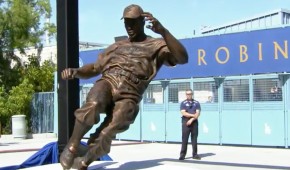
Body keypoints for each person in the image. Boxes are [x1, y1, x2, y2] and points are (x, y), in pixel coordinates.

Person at [60, 4, 188, 170]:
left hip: (130, 93)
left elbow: (183, 58)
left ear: (143, 21)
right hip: (109, 81)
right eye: (126, 23)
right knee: (94, 103)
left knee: (109, 130)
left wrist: (163, 31)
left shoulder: (157, 45)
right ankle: (73, 145)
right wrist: (76, 71)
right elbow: (94, 68)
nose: (129, 27)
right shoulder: (117, 46)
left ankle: (84, 161)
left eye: (133, 22)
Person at [179, 89, 201, 160]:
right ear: (186, 95)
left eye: (190, 94)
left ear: (192, 94)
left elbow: (197, 113)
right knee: (184, 139)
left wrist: (192, 119)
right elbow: (183, 113)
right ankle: (182, 155)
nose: (189, 95)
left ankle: (195, 154)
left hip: (194, 122)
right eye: (187, 94)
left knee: (194, 139)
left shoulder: (196, 103)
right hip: (185, 121)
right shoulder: (183, 103)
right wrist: (192, 115)